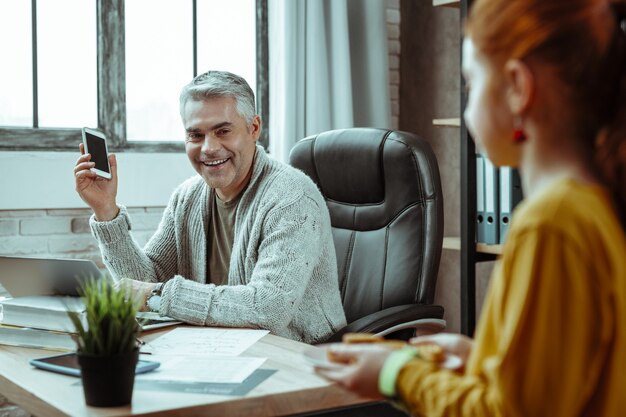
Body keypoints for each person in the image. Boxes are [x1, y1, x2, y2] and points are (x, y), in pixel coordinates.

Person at [316, 0, 626, 415]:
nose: (467, 108)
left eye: (471, 85)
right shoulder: (593, 207)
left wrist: (396, 373)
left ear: (518, 87)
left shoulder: (551, 222)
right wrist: (479, 359)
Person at [73, 70, 346, 344]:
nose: (209, 148)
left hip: (300, 356)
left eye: (223, 131)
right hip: (219, 349)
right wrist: (106, 211)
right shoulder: (187, 197)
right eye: (196, 135)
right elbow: (144, 281)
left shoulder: (292, 197)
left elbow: (268, 307)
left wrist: (157, 295)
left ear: (254, 128)